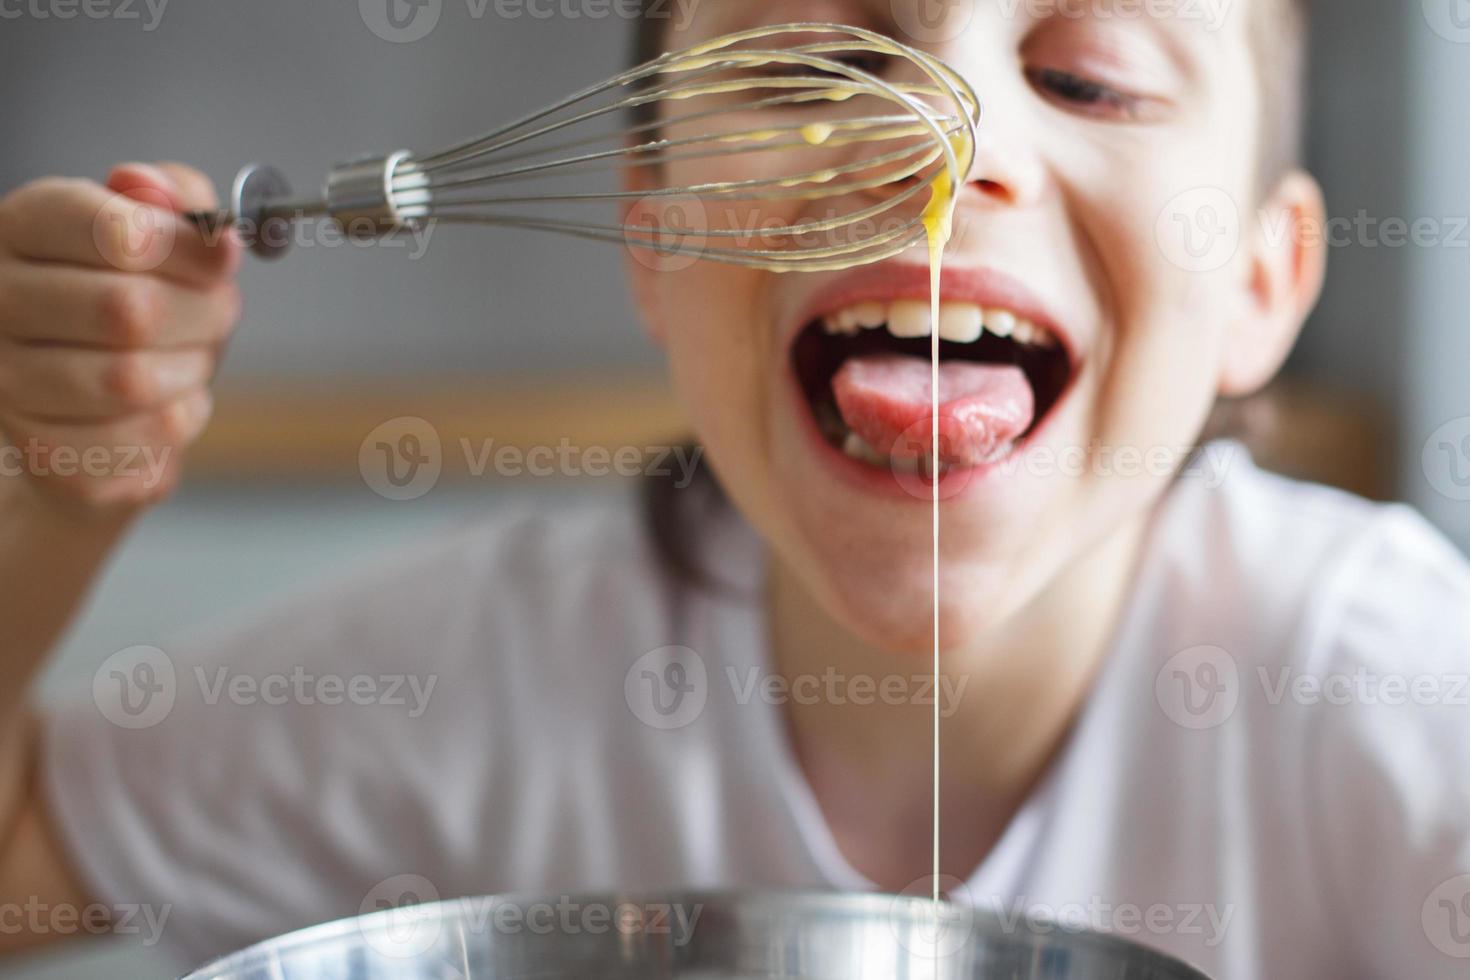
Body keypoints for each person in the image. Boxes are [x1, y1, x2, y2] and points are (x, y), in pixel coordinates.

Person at [1, 1, 1467, 977]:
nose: (940, 146)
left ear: (1262, 283)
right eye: (810, 65)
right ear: (648, 235)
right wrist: (44, 505)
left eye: (1082, 75)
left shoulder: (1381, 686)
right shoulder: (489, 670)